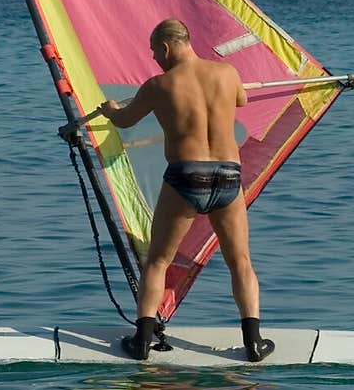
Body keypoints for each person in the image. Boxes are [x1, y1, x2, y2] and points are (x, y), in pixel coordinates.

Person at [100, 18, 274, 363]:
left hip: (185, 176)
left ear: (165, 47)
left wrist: (110, 110)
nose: (154, 59)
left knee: (158, 260)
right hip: (228, 176)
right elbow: (240, 100)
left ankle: (142, 342)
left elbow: (124, 121)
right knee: (240, 261)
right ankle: (254, 342)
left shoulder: (158, 85)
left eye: (154, 52)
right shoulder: (227, 73)